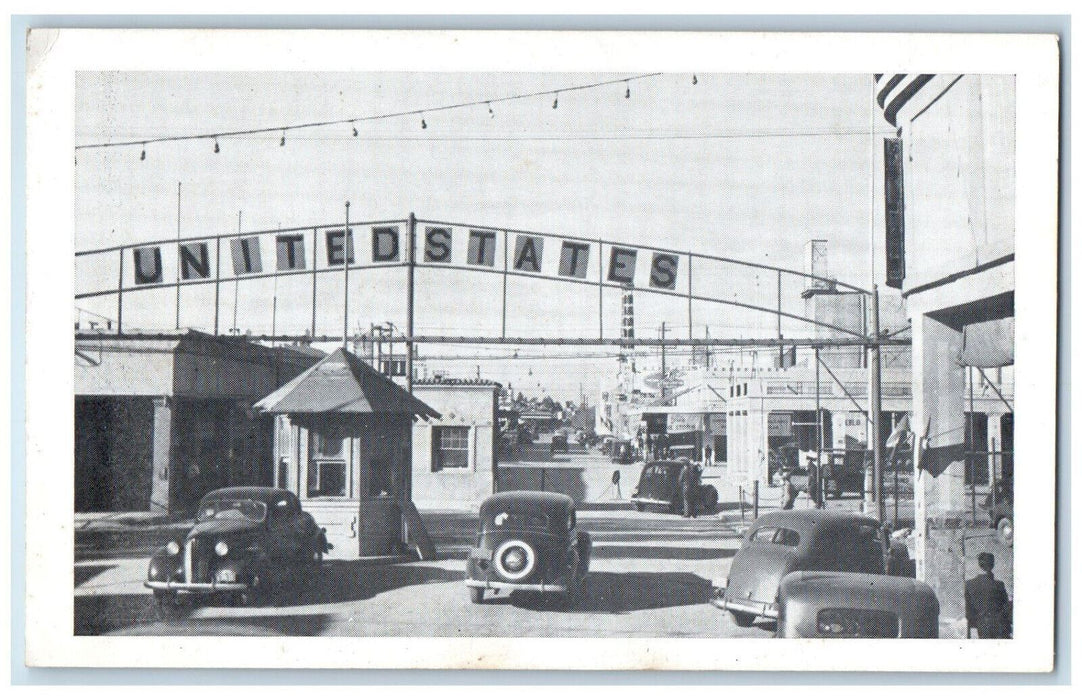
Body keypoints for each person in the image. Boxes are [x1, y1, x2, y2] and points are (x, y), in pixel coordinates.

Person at [965, 552, 1012, 639]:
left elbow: (968, 612)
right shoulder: (999, 585)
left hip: (982, 627)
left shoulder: (969, 584)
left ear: (979, 565)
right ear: (993, 565)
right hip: (1001, 627)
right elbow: (1006, 607)